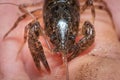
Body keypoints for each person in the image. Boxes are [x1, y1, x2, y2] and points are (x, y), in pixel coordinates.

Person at [0, 0, 120, 80]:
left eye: (72, 36)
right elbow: (30, 29)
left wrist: (76, 48)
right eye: (52, 37)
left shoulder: (82, 22)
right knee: (30, 27)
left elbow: (90, 31)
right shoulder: (39, 24)